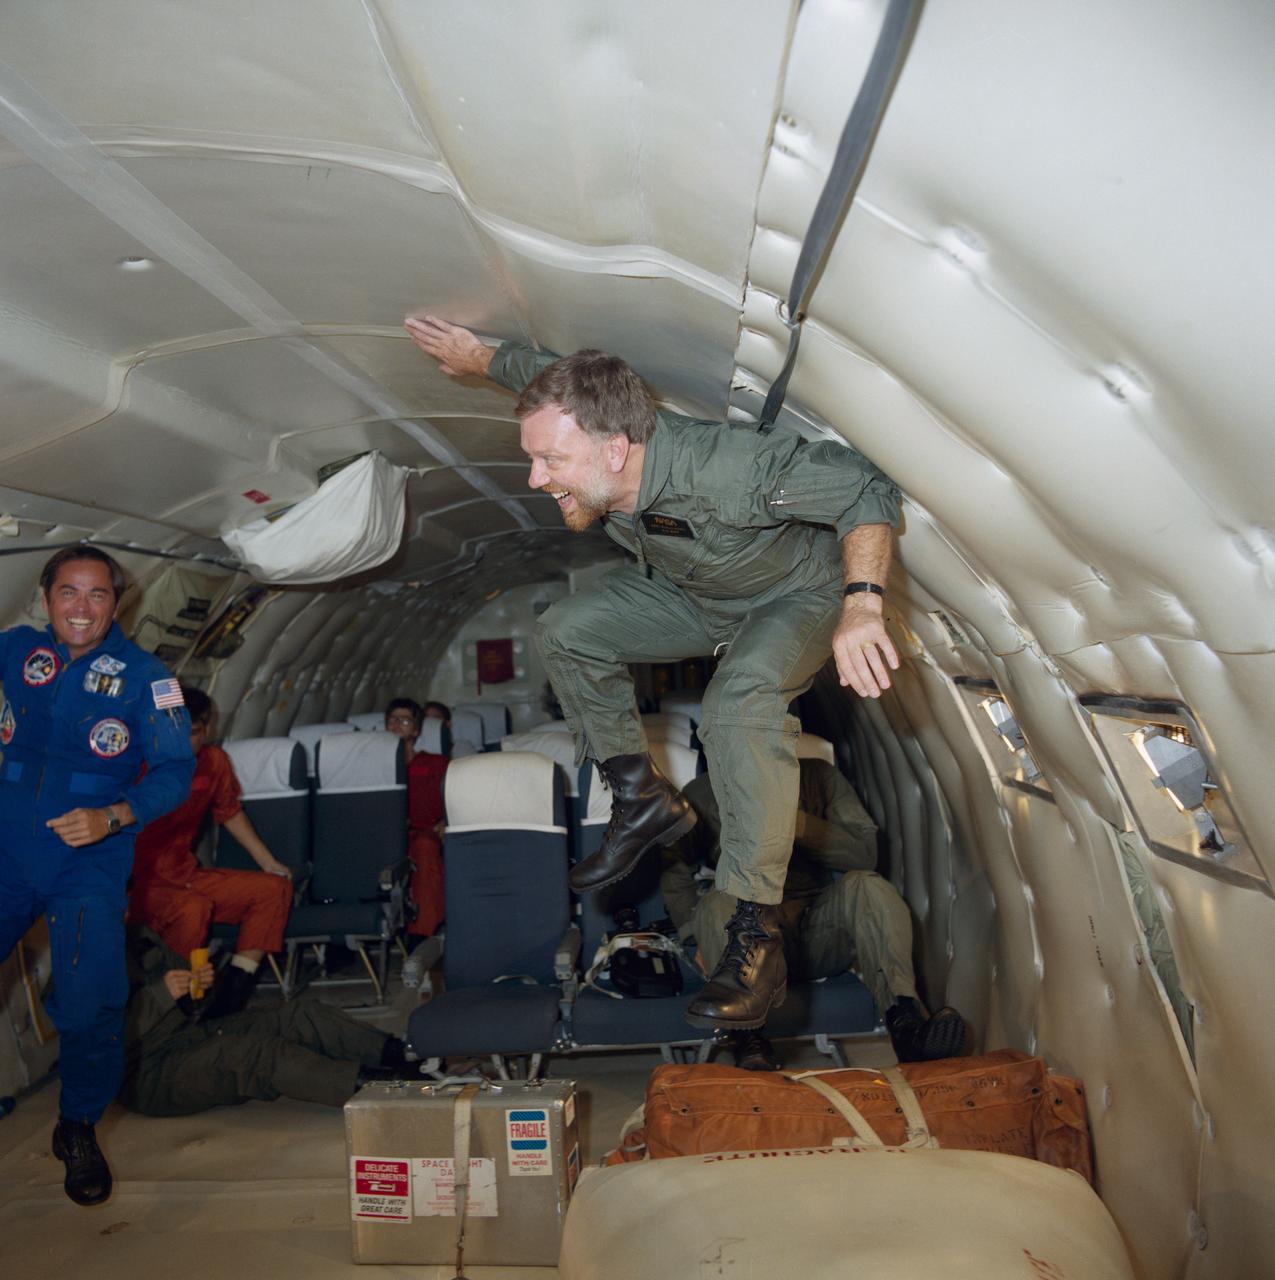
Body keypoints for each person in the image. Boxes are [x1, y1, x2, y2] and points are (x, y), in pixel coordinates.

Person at [405, 315, 902, 1032]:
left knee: (735, 707)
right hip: (699, 595)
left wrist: (861, 606)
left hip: (793, 596)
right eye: (535, 459)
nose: (535, 477)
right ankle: (640, 801)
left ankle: (755, 938)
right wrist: (483, 357)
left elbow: (866, 491)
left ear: (615, 450)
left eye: (550, 461)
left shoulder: (728, 468)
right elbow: (562, 377)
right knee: (567, 628)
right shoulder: (599, 431)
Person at [0, 547, 194, 1205]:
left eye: (97, 595)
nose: (81, 608)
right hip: (7, 849)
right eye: (68, 593)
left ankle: (76, 1125)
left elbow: (174, 774)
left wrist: (114, 815)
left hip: (86, 859)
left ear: (118, 602)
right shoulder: (18, 650)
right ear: (46, 596)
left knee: (91, 1001)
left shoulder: (147, 678)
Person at [664, 758, 968, 1071]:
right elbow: (671, 862)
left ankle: (906, 1023)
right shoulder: (703, 791)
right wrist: (691, 931)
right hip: (749, 943)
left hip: (815, 930)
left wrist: (794, 823)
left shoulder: (820, 777)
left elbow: (864, 854)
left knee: (867, 886)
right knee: (719, 901)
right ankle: (746, 1038)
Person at [128, 686, 294, 1018]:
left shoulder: (213, 762)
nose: (177, 744)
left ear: (206, 729)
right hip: (138, 887)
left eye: (189, 734)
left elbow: (228, 811)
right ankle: (177, 1008)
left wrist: (268, 862)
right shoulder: (132, 766)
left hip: (184, 873)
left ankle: (230, 997)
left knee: (274, 889)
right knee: (193, 908)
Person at [119, 931, 410, 1116]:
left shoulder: (138, 936)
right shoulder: (84, 964)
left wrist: (199, 983)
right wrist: (161, 994)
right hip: (144, 1075)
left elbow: (190, 1002)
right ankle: (383, 1086)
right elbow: (97, 1042)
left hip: (185, 1036)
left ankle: (402, 1053)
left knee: (296, 1015)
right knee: (258, 1055)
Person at [384, 697, 447, 938]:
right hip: (388, 836)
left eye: (404, 720)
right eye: (392, 720)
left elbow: (456, 798)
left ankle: (423, 932)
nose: (396, 725)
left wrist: (446, 820)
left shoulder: (436, 763)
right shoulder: (375, 767)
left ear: (417, 729)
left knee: (424, 847)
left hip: (425, 834)